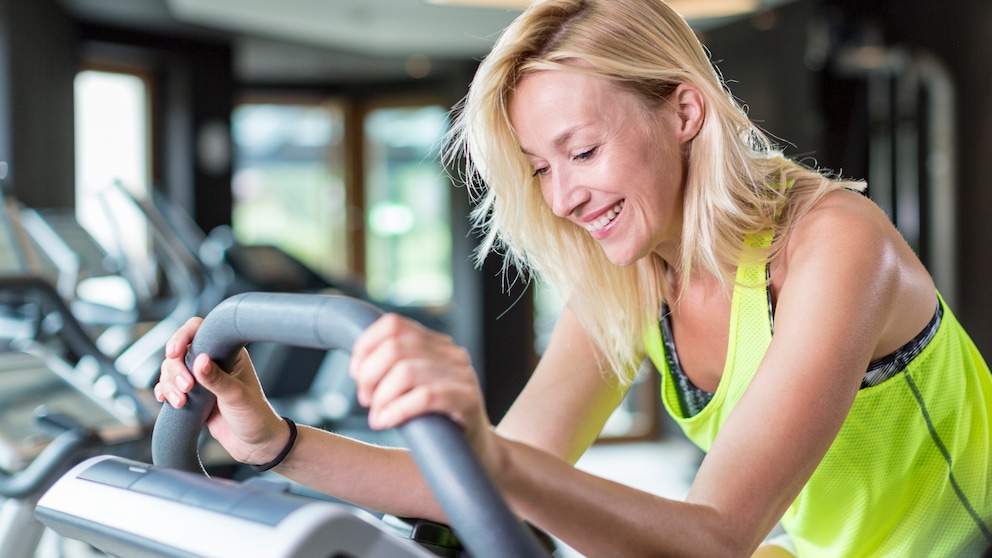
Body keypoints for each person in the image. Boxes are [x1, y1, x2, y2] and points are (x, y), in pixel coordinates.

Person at [155, 0, 992, 556]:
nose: (563, 198)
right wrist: (276, 444)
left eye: (582, 152)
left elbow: (712, 539)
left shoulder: (836, 245)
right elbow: (490, 473)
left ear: (684, 110)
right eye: (539, 169)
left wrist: (494, 461)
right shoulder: (629, 278)